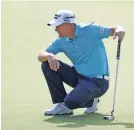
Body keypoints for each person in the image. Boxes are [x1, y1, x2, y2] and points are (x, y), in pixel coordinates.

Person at [38, 10, 125, 116]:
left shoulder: (90, 30)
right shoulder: (61, 40)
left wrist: (119, 28)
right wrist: (49, 56)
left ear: (68, 24)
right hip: (79, 77)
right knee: (46, 64)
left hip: (98, 82)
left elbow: (113, 30)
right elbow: (41, 55)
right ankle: (62, 105)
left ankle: (90, 101)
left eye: (58, 26)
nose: (56, 29)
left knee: (70, 102)